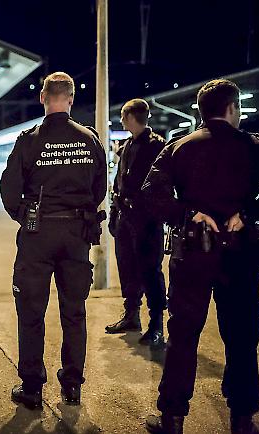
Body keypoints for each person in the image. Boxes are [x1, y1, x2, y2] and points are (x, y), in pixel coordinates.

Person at [142, 79, 259, 434]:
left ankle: (172, 418)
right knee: (243, 336)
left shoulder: (179, 147)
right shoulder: (256, 148)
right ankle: (243, 418)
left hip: (193, 256)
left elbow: (150, 195)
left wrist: (189, 214)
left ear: (201, 111)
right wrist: (246, 215)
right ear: (232, 108)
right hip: (241, 257)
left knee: (183, 334)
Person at [0, 72, 107, 410]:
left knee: (31, 310)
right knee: (74, 311)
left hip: (38, 235)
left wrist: (27, 217)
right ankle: (72, 386)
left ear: (43, 97)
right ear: (71, 99)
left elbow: (9, 188)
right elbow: (100, 188)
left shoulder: (29, 139)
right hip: (77, 235)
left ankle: (32, 387)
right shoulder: (89, 139)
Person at [105, 98, 168, 346]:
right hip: (125, 217)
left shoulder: (157, 146)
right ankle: (132, 314)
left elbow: (162, 186)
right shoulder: (127, 146)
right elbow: (118, 182)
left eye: (123, 117)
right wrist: (114, 213)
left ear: (130, 117)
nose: (121, 121)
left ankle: (156, 324)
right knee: (127, 267)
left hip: (147, 221)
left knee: (150, 270)